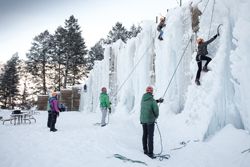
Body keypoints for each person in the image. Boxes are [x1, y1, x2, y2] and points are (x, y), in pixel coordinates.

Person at [140, 86, 164, 159]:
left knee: (145, 134)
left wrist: (158, 101)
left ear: (146, 91)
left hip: (143, 120)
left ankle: (145, 150)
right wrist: (155, 117)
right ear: (152, 92)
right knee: (150, 136)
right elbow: (156, 111)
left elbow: (150, 102)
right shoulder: (152, 101)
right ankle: (150, 153)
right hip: (150, 121)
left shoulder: (143, 99)